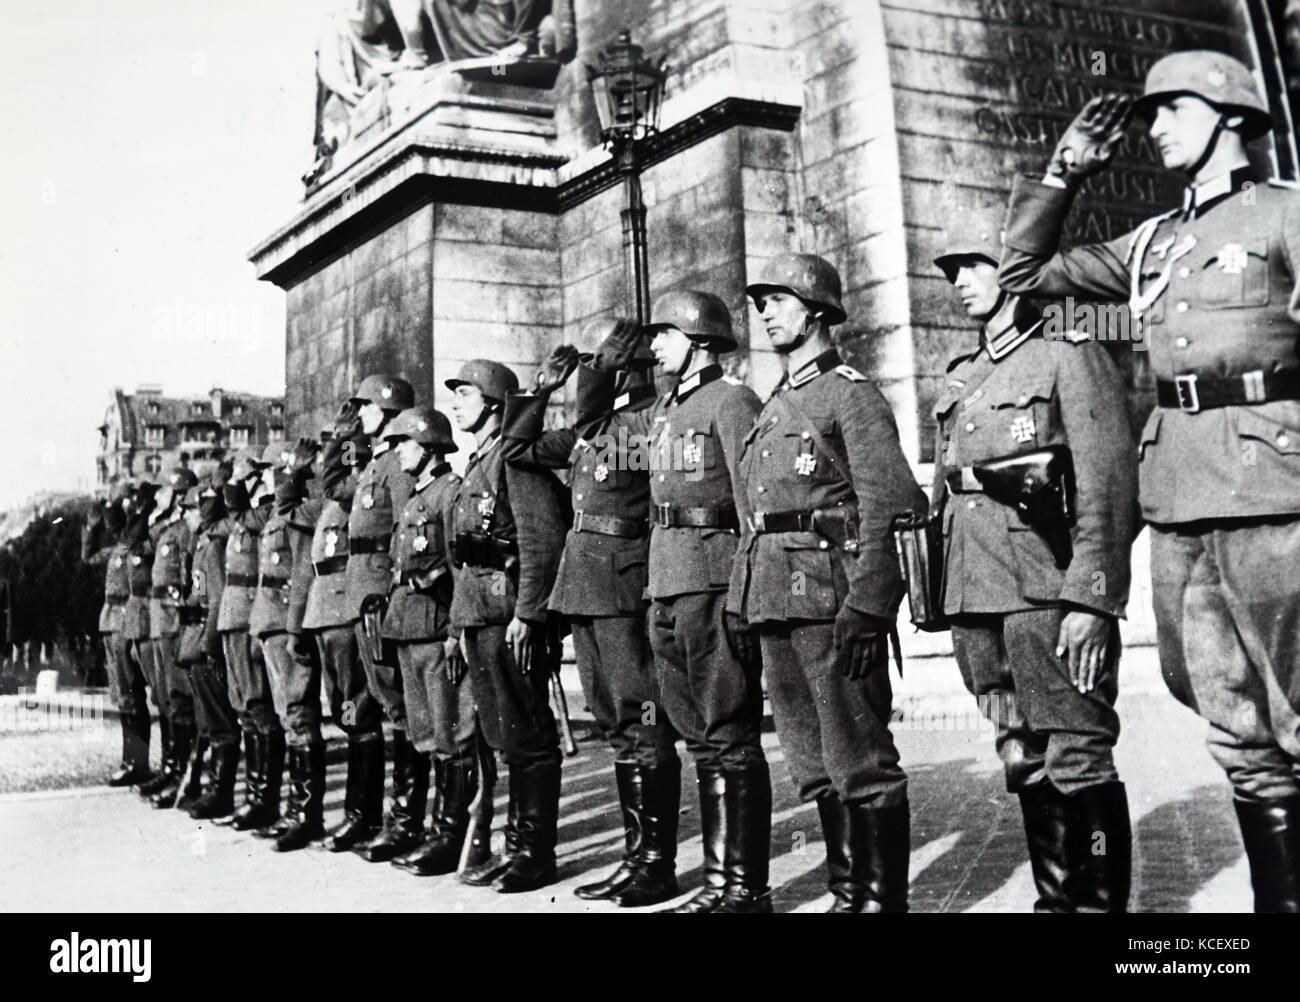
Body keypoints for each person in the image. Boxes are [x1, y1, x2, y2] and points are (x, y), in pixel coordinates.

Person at [997, 49, 1300, 912]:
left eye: (1171, 109)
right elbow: (1024, 279)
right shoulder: (1153, 242)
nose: (1155, 128)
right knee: (1233, 730)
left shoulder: (1285, 217)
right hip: (1179, 498)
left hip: (1276, 491)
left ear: (1231, 116)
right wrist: (1063, 173)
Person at [933, 228, 1139, 911]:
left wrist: (1094, 599)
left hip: (1046, 589)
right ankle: (1057, 902)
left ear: (1017, 272)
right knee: (1021, 751)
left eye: (975, 265)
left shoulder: (1069, 354)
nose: (961, 280)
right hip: (979, 591)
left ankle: (1100, 905)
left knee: (1078, 754)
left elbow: (1108, 486)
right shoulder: (965, 375)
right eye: (953, 270)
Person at [729, 254, 928, 912]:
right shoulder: (776, 403)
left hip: (832, 602)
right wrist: (742, 598)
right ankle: (849, 893)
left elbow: (892, 505)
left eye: (778, 299)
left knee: (859, 755)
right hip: (774, 601)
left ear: (816, 309)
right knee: (812, 761)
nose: (764, 312)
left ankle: (877, 903)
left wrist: (870, 606)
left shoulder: (850, 393)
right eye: (759, 302)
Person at [584, 291, 770, 913]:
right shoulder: (664, 411)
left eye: (664, 333)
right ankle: (718, 885)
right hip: (666, 583)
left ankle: (742, 888)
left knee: (728, 733)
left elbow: (754, 506)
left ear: (698, 338)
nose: (654, 345)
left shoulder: (732, 401)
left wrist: (746, 596)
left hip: (714, 582)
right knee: (698, 734)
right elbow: (592, 433)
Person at [502, 324, 682, 907]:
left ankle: (657, 864)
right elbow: (518, 451)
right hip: (583, 585)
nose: (597, 374)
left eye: (609, 366)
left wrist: (595, 376)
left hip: (627, 585)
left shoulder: (651, 422)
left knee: (644, 715)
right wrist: (539, 389)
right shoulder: (592, 431)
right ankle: (636, 858)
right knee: (612, 720)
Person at [447, 359, 569, 894]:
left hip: (510, 617)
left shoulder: (515, 460)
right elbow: (463, 558)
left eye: (465, 395)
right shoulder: (478, 462)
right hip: (480, 615)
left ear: (495, 405)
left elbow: (542, 541)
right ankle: (517, 847)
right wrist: (457, 625)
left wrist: (529, 613)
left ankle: (535, 854)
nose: (455, 404)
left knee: (529, 734)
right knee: (505, 736)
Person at [380, 406, 489, 876]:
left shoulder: (449, 494)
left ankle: (452, 835)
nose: (396, 451)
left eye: (402, 442)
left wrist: (455, 631)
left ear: (426, 445)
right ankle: (434, 829)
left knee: (453, 734)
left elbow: (461, 568)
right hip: (407, 626)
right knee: (425, 734)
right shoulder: (413, 499)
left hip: (436, 628)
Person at [333, 375, 423, 864]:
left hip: (381, 599)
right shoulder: (372, 462)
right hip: (362, 595)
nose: (360, 415)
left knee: (401, 709)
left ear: (387, 410)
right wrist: (343, 439)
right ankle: (388, 817)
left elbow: (408, 532)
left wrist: (390, 594)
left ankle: (406, 820)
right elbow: (334, 484)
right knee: (386, 706)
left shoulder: (397, 465)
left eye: (365, 407)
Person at [258, 436, 330, 852]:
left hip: (290, 622)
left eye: (277, 470)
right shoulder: (279, 513)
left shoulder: (300, 514)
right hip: (274, 621)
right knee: (289, 717)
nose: (272, 477)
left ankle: (307, 816)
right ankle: (295, 811)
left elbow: (302, 569)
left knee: (300, 716)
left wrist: (297, 471)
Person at [215, 446, 285, 831]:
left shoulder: (269, 509)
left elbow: (241, 513)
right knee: (243, 705)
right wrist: (235, 479)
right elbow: (219, 516)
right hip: (234, 614)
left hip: (251, 616)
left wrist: (240, 480)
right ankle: (254, 796)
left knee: (259, 705)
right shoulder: (249, 513)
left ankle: (265, 799)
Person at [182, 474, 244, 820]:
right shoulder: (204, 542)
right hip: (200, 631)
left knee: (221, 721)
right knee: (210, 719)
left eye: (190, 508)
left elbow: (217, 597)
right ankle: (213, 789)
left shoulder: (213, 543)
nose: (186, 516)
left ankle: (221, 793)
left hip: (210, 636)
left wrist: (211, 643)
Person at [139, 467, 201, 809]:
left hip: (177, 618)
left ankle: (185, 773)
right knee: (164, 696)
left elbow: (196, 572)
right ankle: (172, 766)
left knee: (180, 696)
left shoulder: (187, 531)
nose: (173, 498)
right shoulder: (165, 527)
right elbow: (142, 537)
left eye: (176, 492)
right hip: (160, 617)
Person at [82, 481, 150, 786]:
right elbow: (89, 555)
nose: (110, 520)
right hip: (111, 621)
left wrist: (130, 509)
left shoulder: (138, 542)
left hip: (126, 621)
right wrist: (92, 525)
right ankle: (131, 760)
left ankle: (139, 763)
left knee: (132, 696)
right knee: (123, 697)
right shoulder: (116, 547)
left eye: (114, 512)